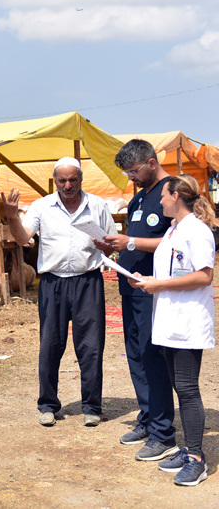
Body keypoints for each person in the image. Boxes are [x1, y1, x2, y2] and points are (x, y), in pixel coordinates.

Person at [1, 156, 116, 427]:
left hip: (88, 282)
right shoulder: (42, 206)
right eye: (62, 180)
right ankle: (48, 405)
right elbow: (21, 238)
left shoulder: (97, 205)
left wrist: (105, 245)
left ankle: (91, 406)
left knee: (91, 346)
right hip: (53, 283)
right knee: (51, 345)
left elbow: (112, 246)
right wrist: (11, 216)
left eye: (72, 179)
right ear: (55, 181)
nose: (67, 185)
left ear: (80, 179)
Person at [129, 174, 215, 487]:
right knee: (179, 387)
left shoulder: (197, 231)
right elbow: (169, 272)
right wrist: (143, 278)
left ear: (176, 196)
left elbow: (205, 276)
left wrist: (159, 284)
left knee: (188, 389)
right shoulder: (172, 231)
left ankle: (196, 458)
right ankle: (187, 450)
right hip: (168, 322)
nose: (160, 201)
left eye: (163, 196)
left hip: (188, 322)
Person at [94, 139, 177, 462]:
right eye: (127, 173)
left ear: (152, 162)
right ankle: (147, 416)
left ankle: (162, 433)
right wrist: (115, 246)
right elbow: (137, 242)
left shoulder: (173, 191)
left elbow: (173, 242)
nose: (131, 178)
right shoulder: (140, 196)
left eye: (134, 171)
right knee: (137, 357)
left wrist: (131, 242)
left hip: (153, 289)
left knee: (153, 357)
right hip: (131, 288)